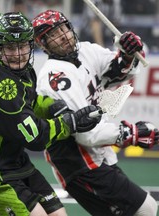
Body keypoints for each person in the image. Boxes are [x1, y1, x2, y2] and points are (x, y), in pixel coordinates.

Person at [0, 12, 102, 216]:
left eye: (23, 46)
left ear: (30, 45)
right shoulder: (2, 85)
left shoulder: (21, 70)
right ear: (0, 48)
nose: (18, 54)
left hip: (15, 163)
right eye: (10, 48)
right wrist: (71, 122)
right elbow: (35, 138)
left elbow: (32, 101)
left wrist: (54, 106)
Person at [32, 9, 159, 216]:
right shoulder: (54, 76)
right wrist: (129, 134)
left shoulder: (86, 50)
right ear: (43, 44)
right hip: (78, 164)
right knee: (145, 208)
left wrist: (128, 52)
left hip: (97, 155)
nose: (63, 35)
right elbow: (86, 134)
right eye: (53, 34)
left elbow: (117, 73)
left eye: (63, 28)